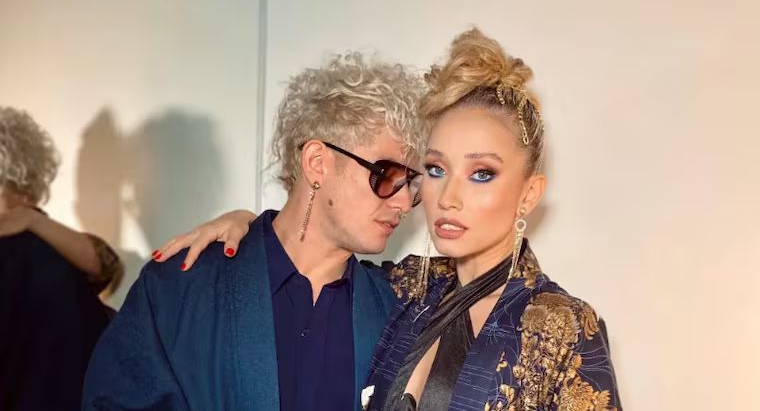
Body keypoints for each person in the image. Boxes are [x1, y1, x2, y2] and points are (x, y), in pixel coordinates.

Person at [159, 28, 621, 410]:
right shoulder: (407, 290)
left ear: (529, 194)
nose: (448, 198)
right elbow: (311, 250)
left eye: (482, 173)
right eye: (435, 170)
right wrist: (246, 224)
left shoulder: (563, 328)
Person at [82, 52, 426, 410]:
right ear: (317, 163)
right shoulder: (181, 286)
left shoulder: (394, 312)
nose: (403, 203)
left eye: (411, 184)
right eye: (387, 176)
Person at [0, 106, 123, 411]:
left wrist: (29, 220)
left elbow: (107, 265)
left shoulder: (42, 256)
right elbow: (107, 266)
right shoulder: (65, 259)